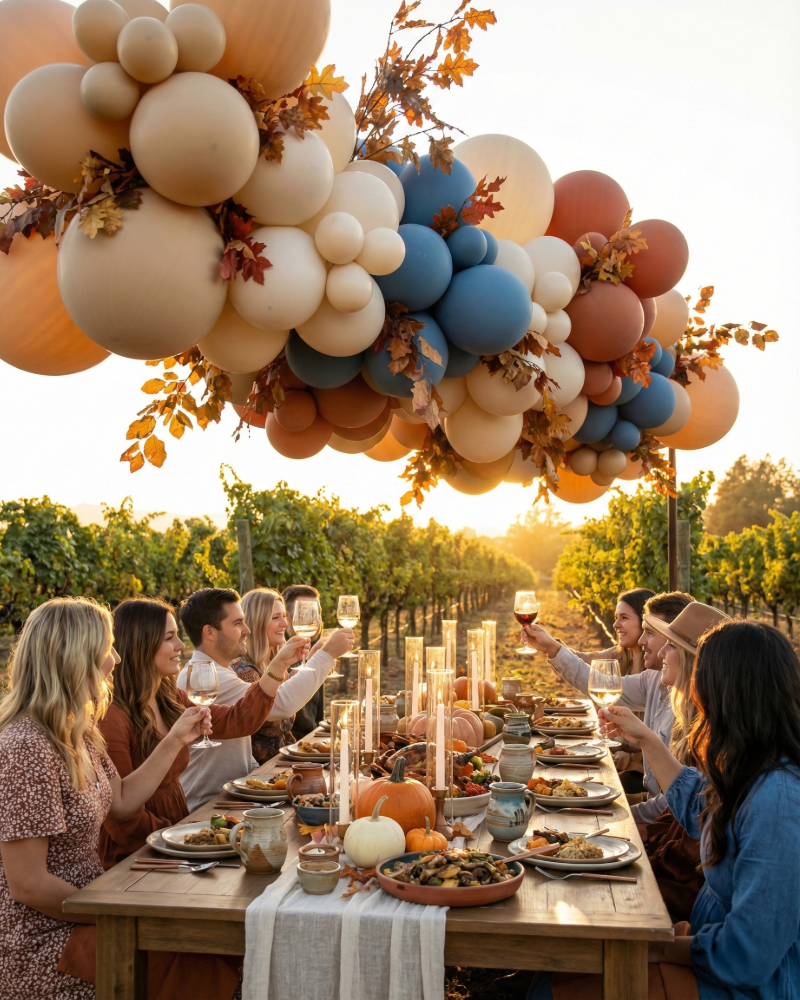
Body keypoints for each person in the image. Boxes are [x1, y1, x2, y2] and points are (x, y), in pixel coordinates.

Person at [0, 597, 218, 1000]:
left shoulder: (76, 729)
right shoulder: (26, 746)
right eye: (107, 648)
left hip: (94, 907)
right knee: (203, 960)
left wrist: (175, 739)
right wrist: (118, 914)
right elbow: (28, 886)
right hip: (48, 938)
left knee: (210, 948)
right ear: (72, 657)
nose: (116, 659)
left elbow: (120, 799)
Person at [597, 620, 800, 1000]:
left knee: (561, 986)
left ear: (725, 693)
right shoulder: (754, 765)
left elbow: (748, 956)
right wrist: (647, 740)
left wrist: (661, 947)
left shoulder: (779, 803)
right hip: (708, 952)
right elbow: (699, 809)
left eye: (701, 680)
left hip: (746, 985)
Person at [98, 596, 303, 869]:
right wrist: (181, 835)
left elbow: (237, 720)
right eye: (169, 637)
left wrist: (278, 666)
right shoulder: (112, 716)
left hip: (176, 832)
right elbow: (121, 819)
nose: (181, 645)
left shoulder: (170, 697)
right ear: (141, 645)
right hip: (138, 855)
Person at [522, 598, 727, 823]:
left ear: (691, 659)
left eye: (669, 643)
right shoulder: (654, 681)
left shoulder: (704, 717)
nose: (644, 642)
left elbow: (684, 801)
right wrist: (552, 648)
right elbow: (599, 683)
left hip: (670, 822)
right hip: (657, 809)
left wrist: (623, 817)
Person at [176, 588, 352, 811]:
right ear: (209, 632)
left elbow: (239, 750)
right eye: (238, 623)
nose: (246, 630)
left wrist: (262, 776)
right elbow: (278, 705)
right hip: (208, 806)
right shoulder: (207, 678)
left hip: (235, 796)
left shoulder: (220, 671)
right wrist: (326, 656)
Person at [235, 588, 352, 764]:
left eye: (284, 616)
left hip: (287, 763)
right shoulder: (243, 672)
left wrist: (310, 661)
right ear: (257, 622)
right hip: (262, 772)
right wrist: (325, 656)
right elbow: (281, 704)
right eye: (276, 617)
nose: (285, 622)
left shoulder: (274, 665)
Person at [570, 588, 656, 675]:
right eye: (616, 617)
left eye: (624, 617)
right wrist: (560, 649)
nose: (615, 625)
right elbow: (584, 658)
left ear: (644, 622)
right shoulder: (620, 653)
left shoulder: (656, 667)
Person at [282, 584, 327, 740]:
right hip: (291, 746)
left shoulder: (313, 651)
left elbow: (317, 717)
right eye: (307, 613)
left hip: (311, 743)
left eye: (317, 613)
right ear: (287, 617)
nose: (315, 620)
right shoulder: (278, 658)